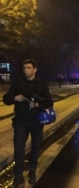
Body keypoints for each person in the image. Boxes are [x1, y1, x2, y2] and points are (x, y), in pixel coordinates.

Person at [3, 59, 54, 188]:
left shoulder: (41, 84)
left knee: (36, 147)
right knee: (19, 149)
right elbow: (6, 99)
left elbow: (49, 103)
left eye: (28, 68)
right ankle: (18, 177)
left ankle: (32, 172)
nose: (26, 70)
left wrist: (36, 104)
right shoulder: (18, 82)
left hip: (36, 122)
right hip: (20, 121)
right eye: (24, 68)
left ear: (35, 69)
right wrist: (15, 98)